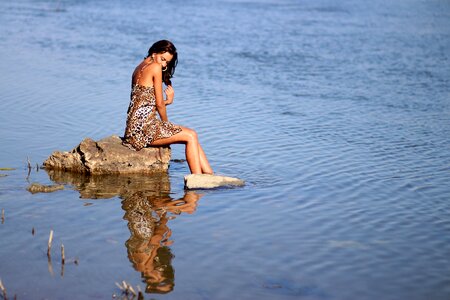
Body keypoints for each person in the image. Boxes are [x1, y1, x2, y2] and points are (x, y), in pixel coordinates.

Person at [123, 40, 213, 174]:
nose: (164, 64)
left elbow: (143, 103)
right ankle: (198, 178)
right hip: (142, 131)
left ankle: (209, 174)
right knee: (191, 135)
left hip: (134, 128)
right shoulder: (155, 67)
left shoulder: (139, 67)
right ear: (154, 53)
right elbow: (158, 104)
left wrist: (167, 101)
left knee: (191, 134)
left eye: (167, 62)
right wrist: (166, 125)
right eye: (163, 59)